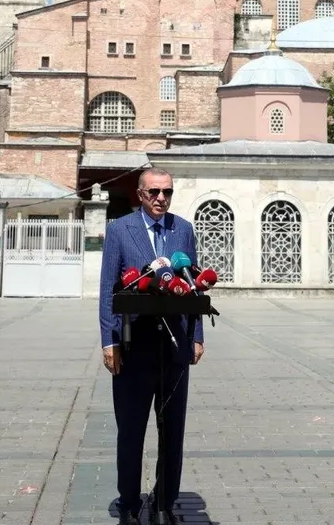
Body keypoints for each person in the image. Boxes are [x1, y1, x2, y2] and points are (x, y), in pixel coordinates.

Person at [99, 167, 204, 525]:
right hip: (133, 345)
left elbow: (193, 286)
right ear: (140, 194)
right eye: (155, 192)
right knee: (131, 429)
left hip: (173, 347)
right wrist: (109, 340)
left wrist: (197, 335)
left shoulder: (183, 230)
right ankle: (129, 502)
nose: (162, 198)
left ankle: (163, 503)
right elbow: (108, 290)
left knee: (171, 431)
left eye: (168, 192)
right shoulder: (119, 230)